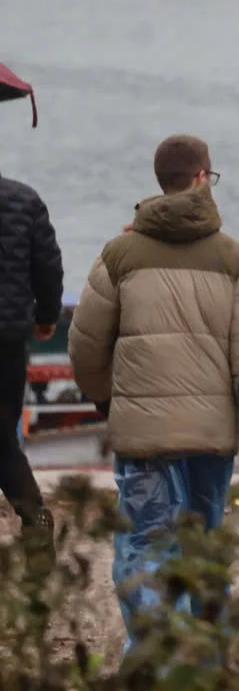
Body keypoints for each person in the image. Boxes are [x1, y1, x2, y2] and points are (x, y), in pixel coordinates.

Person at [68, 135, 239, 652]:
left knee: (144, 542)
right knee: (204, 546)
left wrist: (108, 404)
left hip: (142, 437)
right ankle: (202, 658)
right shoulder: (237, 261)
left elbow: (86, 345)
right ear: (203, 178)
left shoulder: (119, 255)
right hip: (210, 436)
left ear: (161, 181)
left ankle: (158, 656)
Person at [0, 166, 63, 578]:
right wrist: (46, 316)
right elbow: (48, 267)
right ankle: (33, 512)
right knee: (3, 434)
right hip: (7, 339)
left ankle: (34, 512)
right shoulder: (23, 199)